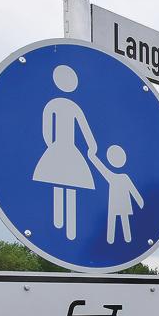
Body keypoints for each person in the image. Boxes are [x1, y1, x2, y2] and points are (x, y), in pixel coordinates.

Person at [32, 65, 97, 241]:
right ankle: (60, 225)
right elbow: (48, 129)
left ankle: (69, 229)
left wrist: (90, 145)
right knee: (61, 181)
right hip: (62, 148)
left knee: (69, 183)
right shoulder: (55, 104)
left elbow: (83, 128)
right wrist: (91, 146)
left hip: (63, 148)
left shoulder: (65, 106)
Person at [87, 144, 144, 244]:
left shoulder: (122, 177)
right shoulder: (114, 177)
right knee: (113, 221)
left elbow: (133, 190)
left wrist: (140, 201)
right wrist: (92, 157)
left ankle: (126, 240)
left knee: (123, 221)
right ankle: (111, 241)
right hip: (115, 204)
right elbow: (101, 168)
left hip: (122, 204)